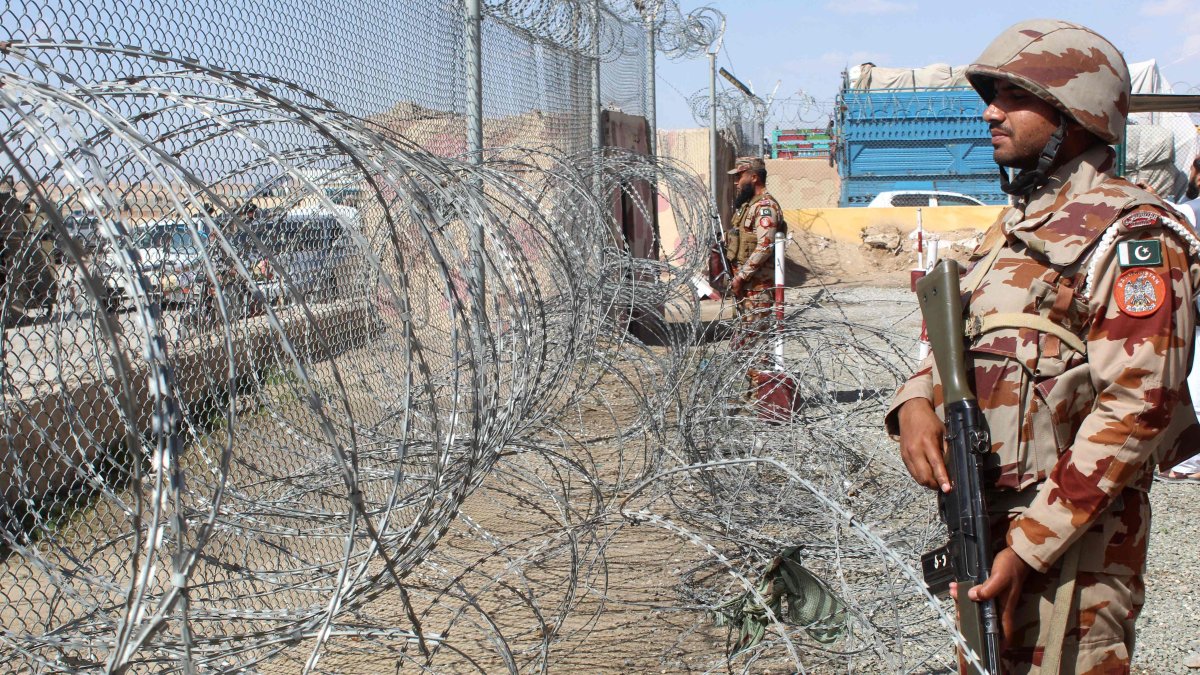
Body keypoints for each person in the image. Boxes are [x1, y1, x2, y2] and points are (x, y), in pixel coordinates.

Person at [885, 19, 1200, 673]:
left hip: (1075, 558)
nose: (991, 111)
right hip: (989, 531)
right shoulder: (1009, 231)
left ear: (1076, 111)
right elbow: (951, 342)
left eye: (1014, 96)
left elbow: (1138, 409)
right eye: (990, 94)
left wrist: (1026, 549)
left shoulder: (1137, 236)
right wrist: (915, 401)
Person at [723, 157, 783, 381]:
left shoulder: (765, 207)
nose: (737, 182)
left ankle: (762, 393)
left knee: (756, 342)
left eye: (740, 176)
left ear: (754, 177)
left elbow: (765, 245)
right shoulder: (747, 207)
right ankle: (753, 388)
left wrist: (741, 276)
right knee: (747, 340)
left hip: (758, 287)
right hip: (747, 287)